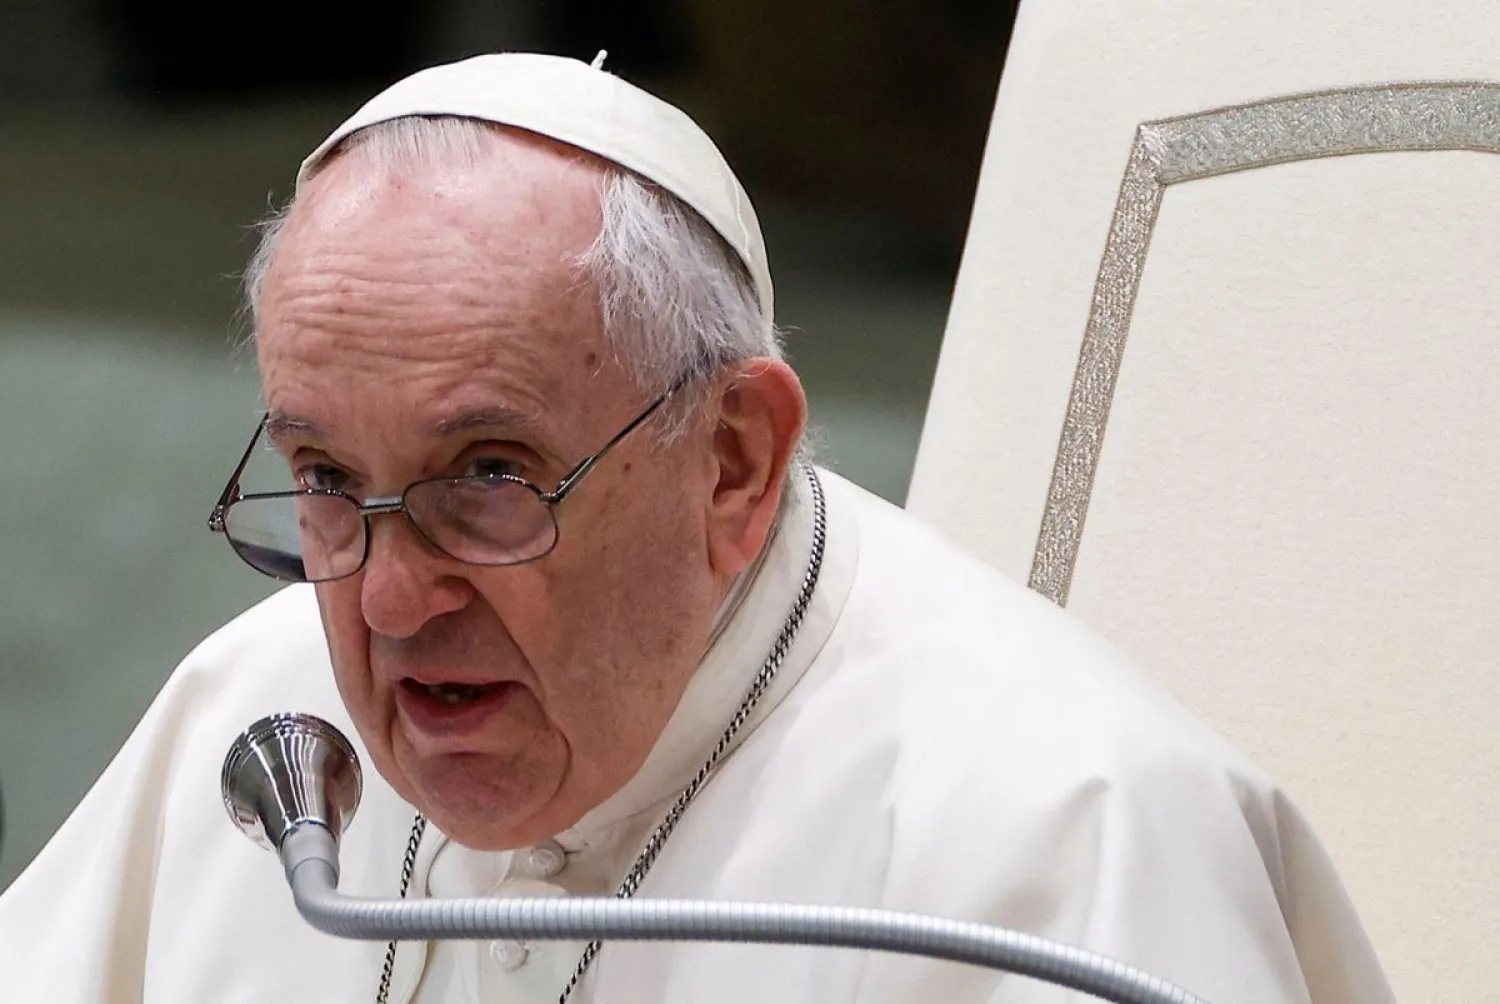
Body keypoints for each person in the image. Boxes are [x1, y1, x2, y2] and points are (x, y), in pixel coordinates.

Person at [0, 53, 1395, 1003]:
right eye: (321, 478)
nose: (387, 606)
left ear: (731, 463)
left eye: (486, 475)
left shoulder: (1058, 832)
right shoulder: (260, 725)